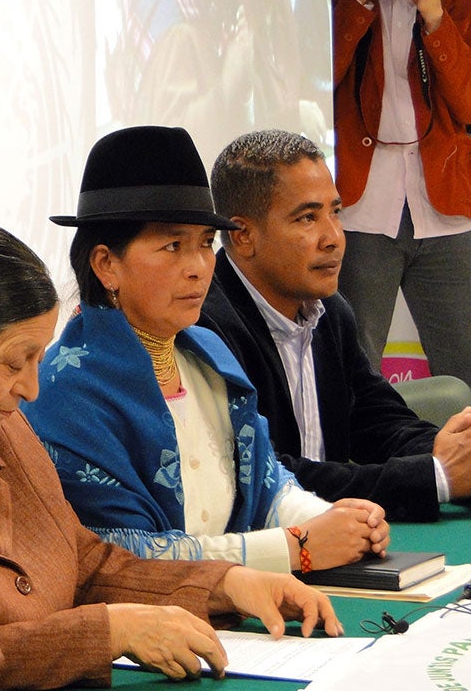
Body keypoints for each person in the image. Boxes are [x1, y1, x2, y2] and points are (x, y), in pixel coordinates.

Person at [0, 219, 344, 691]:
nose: (31, 389)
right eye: (15, 363)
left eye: (38, 360)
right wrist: (109, 630)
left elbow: (83, 561)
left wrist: (227, 584)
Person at [23, 126, 390, 577]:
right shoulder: (65, 390)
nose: (198, 268)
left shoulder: (207, 354)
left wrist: (332, 520)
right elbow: (129, 557)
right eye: (173, 246)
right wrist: (298, 547)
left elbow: (268, 482)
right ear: (106, 265)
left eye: (204, 244)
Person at [200, 128, 471, 523]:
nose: (334, 238)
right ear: (243, 236)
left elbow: (377, 422)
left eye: (336, 212)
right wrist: (437, 477)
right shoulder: (207, 326)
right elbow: (269, 474)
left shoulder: (331, 310)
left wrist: (454, 451)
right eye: (308, 217)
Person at [332, 0, 471, 387]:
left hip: (446, 207)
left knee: (464, 364)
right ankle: (358, 454)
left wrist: (434, 17)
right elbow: (315, 78)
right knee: (357, 367)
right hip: (362, 208)